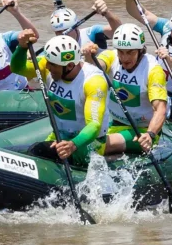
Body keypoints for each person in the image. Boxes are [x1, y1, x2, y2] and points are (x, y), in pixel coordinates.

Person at [10, 32, 110, 166]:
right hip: (58, 136)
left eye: (52, 65)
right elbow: (18, 68)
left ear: (69, 66)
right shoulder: (50, 65)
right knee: (18, 153)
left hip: (87, 144)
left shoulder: (93, 81)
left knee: (37, 151)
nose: (47, 67)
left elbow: (94, 125)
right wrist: (21, 47)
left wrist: (73, 144)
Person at [86, 23, 168, 156]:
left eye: (130, 52)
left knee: (95, 147)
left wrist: (150, 134)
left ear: (140, 50)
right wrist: (89, 56)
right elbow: (96, 67)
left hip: (140, 131)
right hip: (114, 124)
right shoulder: (111, 56)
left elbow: (160, 109)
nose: (124, 58)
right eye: (121, 52)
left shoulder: (153, 70)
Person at [49, 0, 122, 47]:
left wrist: (106, 13)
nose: (63, 34)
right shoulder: (53, 46)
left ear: (76, 27)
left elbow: (119, 32)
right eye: (58, 32)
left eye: (67, 30)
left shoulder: (92, 33)